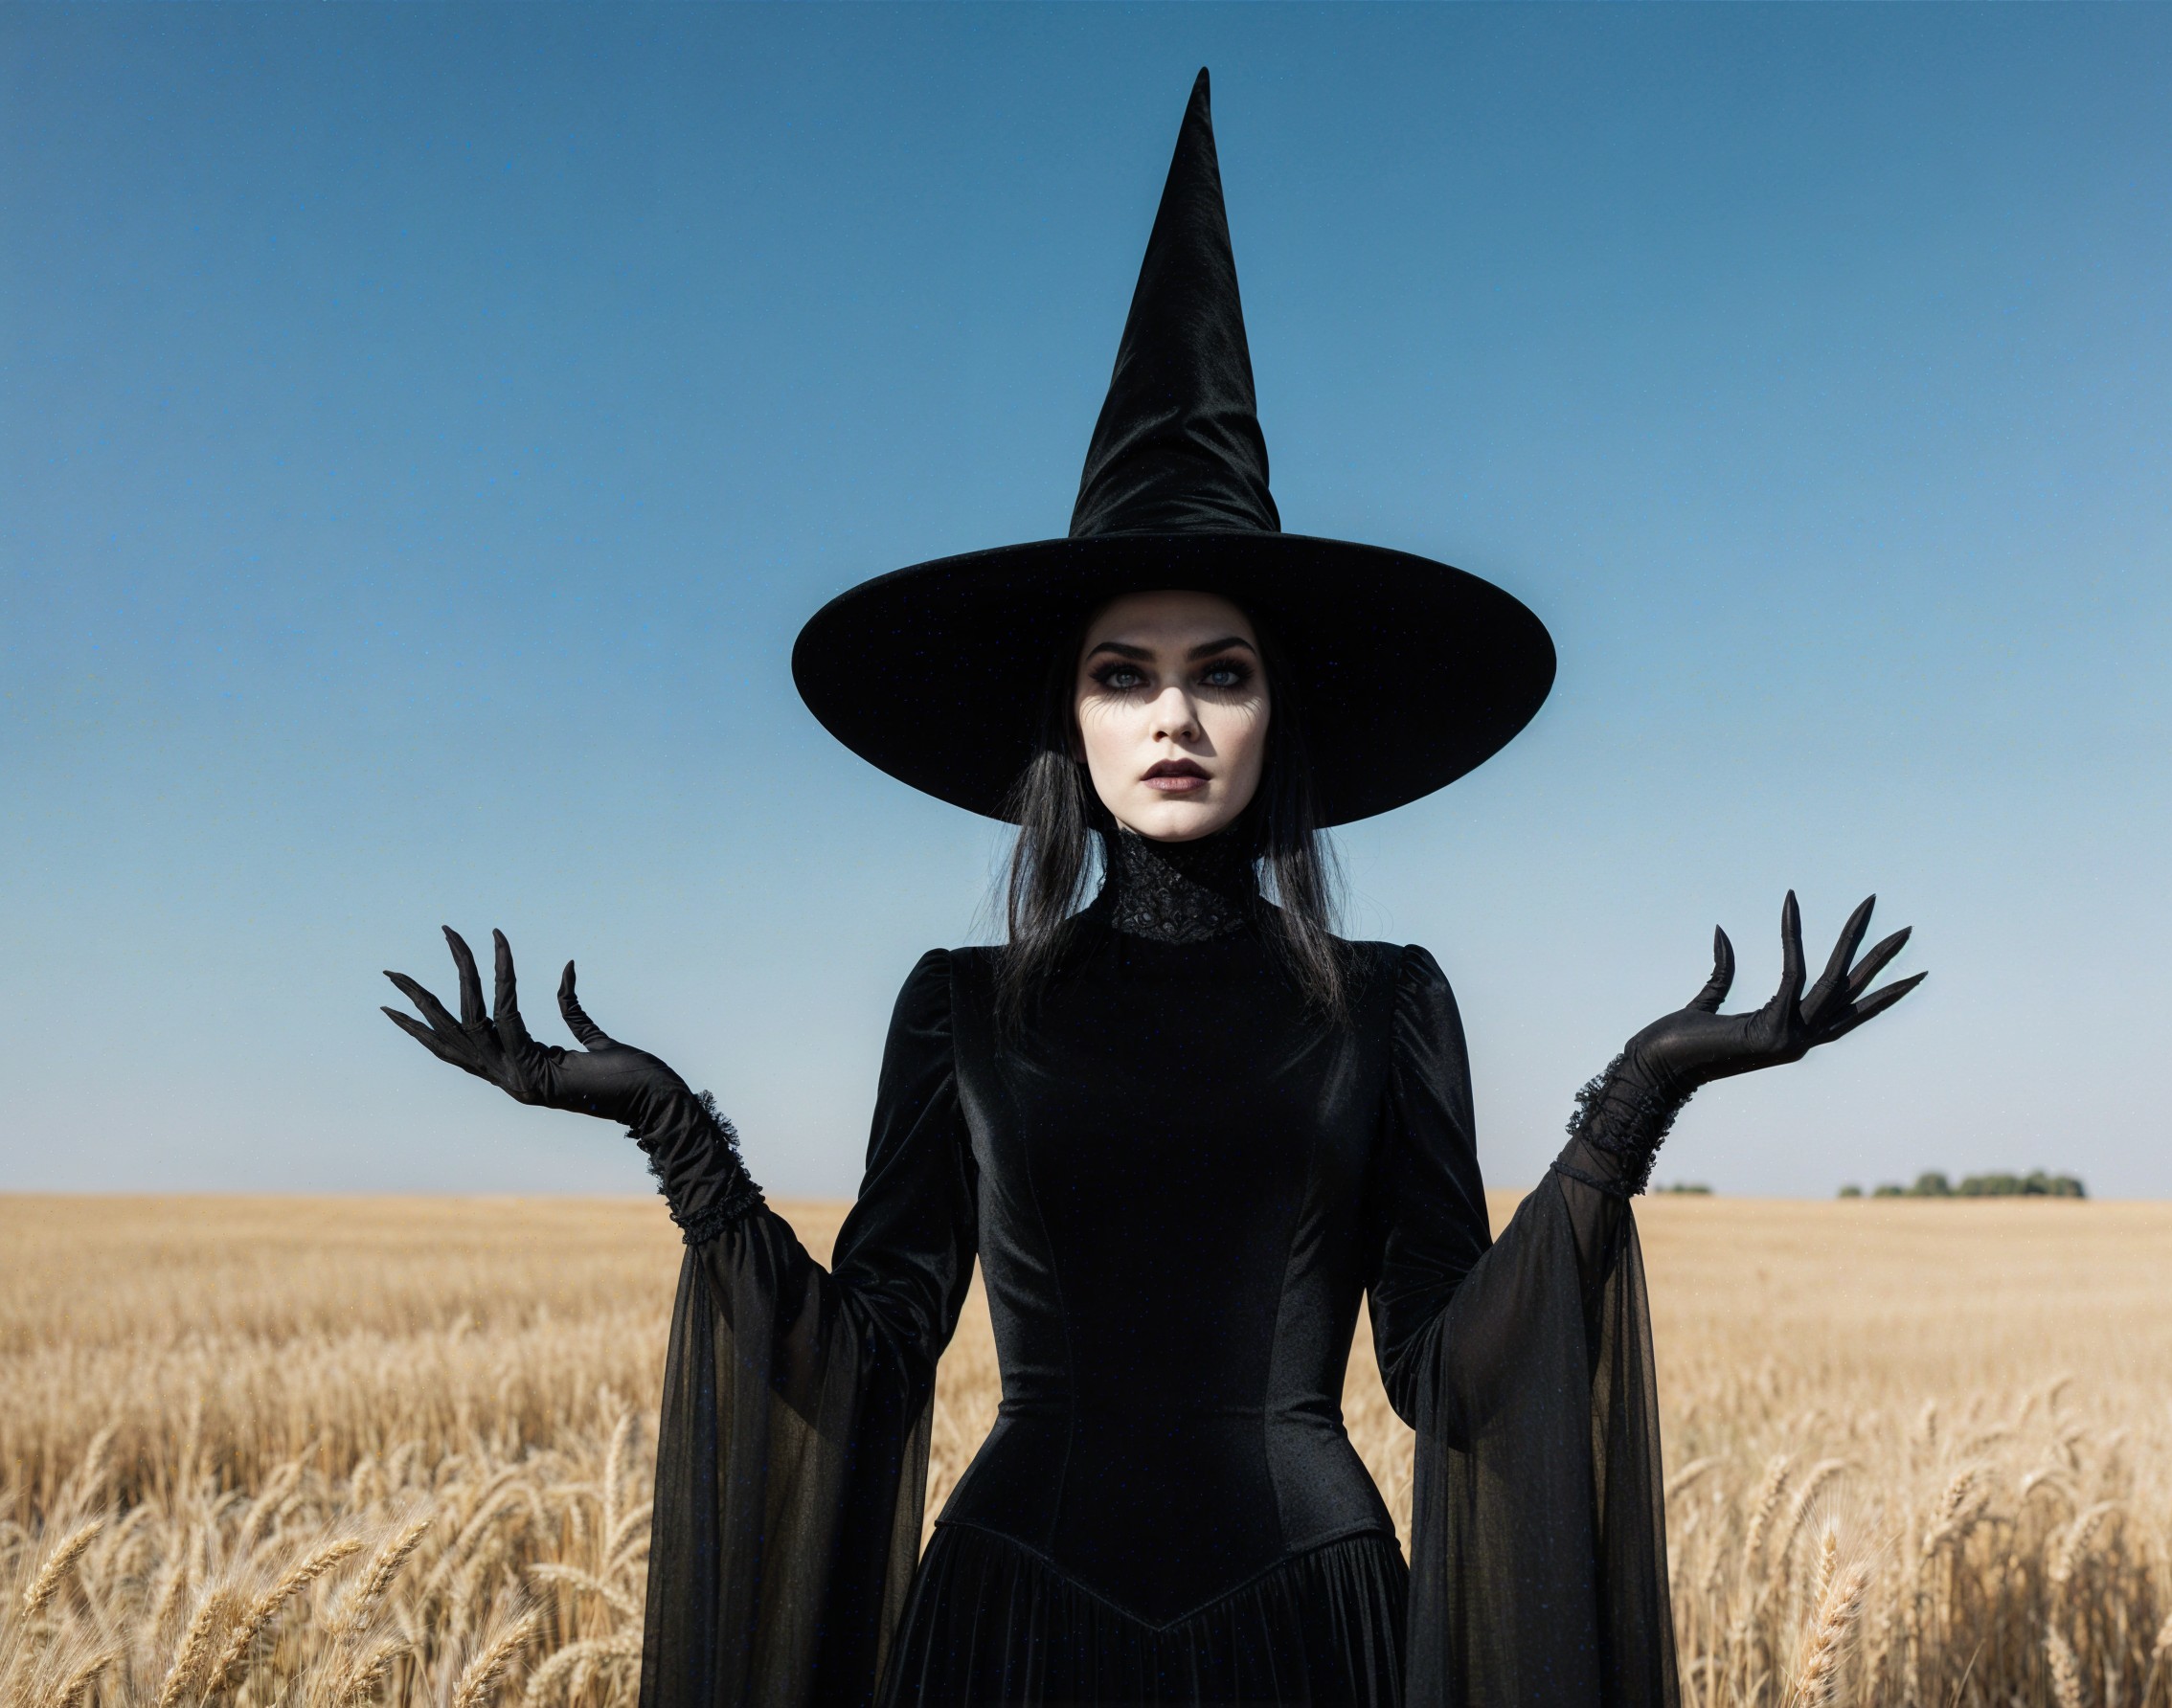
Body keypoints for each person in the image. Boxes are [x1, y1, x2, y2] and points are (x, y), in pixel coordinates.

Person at [381, 71, 1921, 1708]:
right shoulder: (961, 1007)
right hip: (1007, 1627)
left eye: (1221, 672)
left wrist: (1637, 1101)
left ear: (1278, 713)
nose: (1174, 716)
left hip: (1314, 1631)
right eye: (1125, 673)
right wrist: (670, 1127)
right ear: (1071, 716)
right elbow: (874, 1360)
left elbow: (1444, 1371)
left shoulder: (1390, 1005)